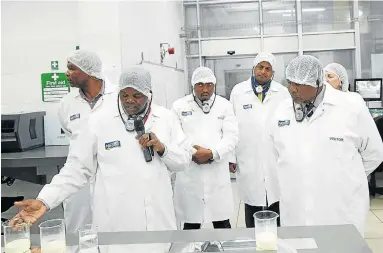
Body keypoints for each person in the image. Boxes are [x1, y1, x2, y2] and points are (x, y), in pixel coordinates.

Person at [10, 66, 192, 252]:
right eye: (124, 95)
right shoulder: (99, 121)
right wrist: (45, 201)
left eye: (137, 96)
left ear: (148, 93)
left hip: (158, 222)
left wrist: (163, 149)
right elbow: (76, 169)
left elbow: (184, 160)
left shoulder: (166, 119)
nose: (129, 101)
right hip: (114, 223)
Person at [266, 55, 383, 235]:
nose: (292, 89)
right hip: (297, 209)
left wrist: (345, 176)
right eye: (290, 82)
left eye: (299, 84)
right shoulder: (282, 110)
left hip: (341, 208)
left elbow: (374, 153)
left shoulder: (351, 106)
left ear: (317, 82)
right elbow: (274, 154)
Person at [172, 67, 239, 230]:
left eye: (209, 84)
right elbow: (175, 135)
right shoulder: (179, 106)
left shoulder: (225, 105)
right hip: (190, 170)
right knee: (191, 224)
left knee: (222, 223)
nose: (205, 89)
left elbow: (232, 136)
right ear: (193, 86)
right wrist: (194, 153)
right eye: (200, 85)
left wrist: (212, 154)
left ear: (214, 85)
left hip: (216, 170)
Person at [58, 49, 116, 234]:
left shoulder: (118, 98)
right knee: (78, 229)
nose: (66, 73)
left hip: (113, 175)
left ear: (88, 72)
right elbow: (70, 132)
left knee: (113, 227)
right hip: (78, 176)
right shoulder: (67, 104)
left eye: (71, 68)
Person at [230, 52, 289, 227]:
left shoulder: (283, 93)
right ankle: (253, 240)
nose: (263, 72)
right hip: (248, 155)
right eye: (260, 67)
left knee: (276, 200)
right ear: (253, 68)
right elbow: (231, 126)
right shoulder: (238, 91)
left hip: (275, 155)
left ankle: (277, 242)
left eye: (268, 69)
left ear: (273, 73)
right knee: (252, 201)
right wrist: (231, 157)